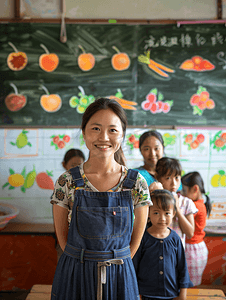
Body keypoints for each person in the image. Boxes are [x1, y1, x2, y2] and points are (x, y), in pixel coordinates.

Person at [50, 97, 151, 300]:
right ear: (85, 132)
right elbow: (62, 239)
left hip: (120, 273)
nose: (103, 137)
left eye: (112, 130)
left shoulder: (136, 183)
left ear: (122, 135)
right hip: (75, 273)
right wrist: (84, 262)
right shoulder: (67, 181)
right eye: (96, 128)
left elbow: (135, 242)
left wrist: (114, 263)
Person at [133, 189, 193, 300]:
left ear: (174, 213)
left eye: (167, 213)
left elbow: (182, 267)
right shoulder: (142, 237)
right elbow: (134, 266)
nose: (162, 218)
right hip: (146, 294)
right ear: (148, 213)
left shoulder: (175, 238)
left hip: (171, 293)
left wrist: (183, 294)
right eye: (156, 213)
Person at [150, 157, 197, 248]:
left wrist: (177, 209)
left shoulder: (186, 202)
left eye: (176, 178)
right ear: (157, 177)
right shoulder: (152, 200)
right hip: (155, 250)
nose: (174, 183)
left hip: (176, 253)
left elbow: (190, 233)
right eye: (168, 178)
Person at [181, 172, 212, 286]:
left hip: (192, 251)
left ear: (195, 189)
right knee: (190, 284)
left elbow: (184, 224)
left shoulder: (194, 206)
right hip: (196, 249)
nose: (182, 195)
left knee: (188, 286)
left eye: (184, 191)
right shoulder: (200, 203)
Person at [55, 148, 86, 261]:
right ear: (64, 165)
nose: (77, 169)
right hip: (67, 240)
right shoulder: (62, 184)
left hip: (85, 241)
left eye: (80, 165)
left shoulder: (87, 184)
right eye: (73, 165)